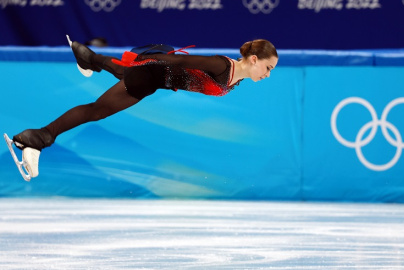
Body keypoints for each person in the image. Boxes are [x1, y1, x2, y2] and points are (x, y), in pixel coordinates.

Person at [10, 36, 279, 179]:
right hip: (154, 73)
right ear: (254, 59)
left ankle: (88, 57)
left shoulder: (236, 80)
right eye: (267, 68)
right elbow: (181, 63)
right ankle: (37, 138)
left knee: (118, 78)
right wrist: (143, 63)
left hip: (156, 80)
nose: (268, 75)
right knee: (97, 110)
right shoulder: (223, 67)